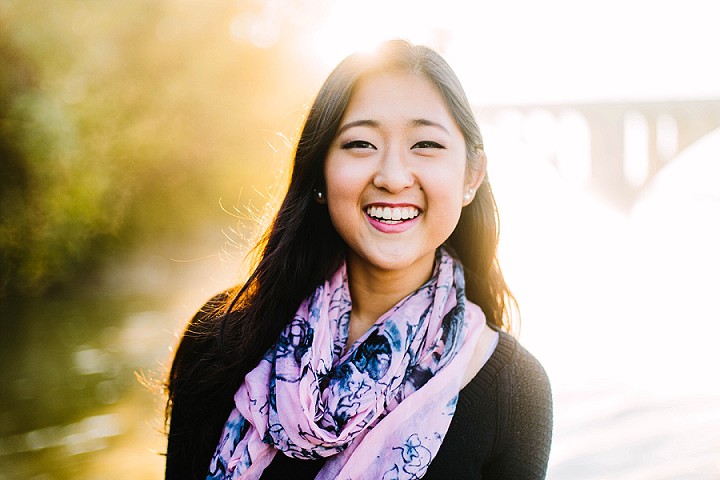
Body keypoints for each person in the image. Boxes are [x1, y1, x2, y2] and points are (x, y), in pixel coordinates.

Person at [165, 39, 553, 480]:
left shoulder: (513, 390)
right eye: (360, 144)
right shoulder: (219, 340)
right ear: (320, 175)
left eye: (425, 143)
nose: (391, 177)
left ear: (471, 177)